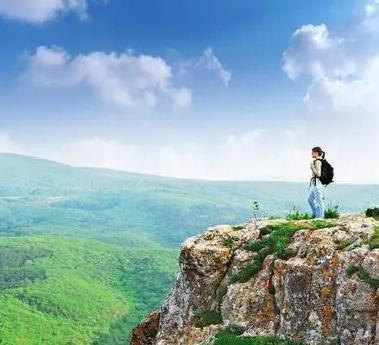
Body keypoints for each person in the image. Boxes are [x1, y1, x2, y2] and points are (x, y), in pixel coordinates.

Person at [308, 147, 325, 219]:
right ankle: (316, 213)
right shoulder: (317, 161)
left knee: (319, 201)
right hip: (315, 184)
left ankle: (320, 218)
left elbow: (318, 174)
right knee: (310, 199)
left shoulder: (317, 161)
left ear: (316, 153)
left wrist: (312, 167)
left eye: (313, 152)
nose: (311, 153)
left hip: (317, 184)